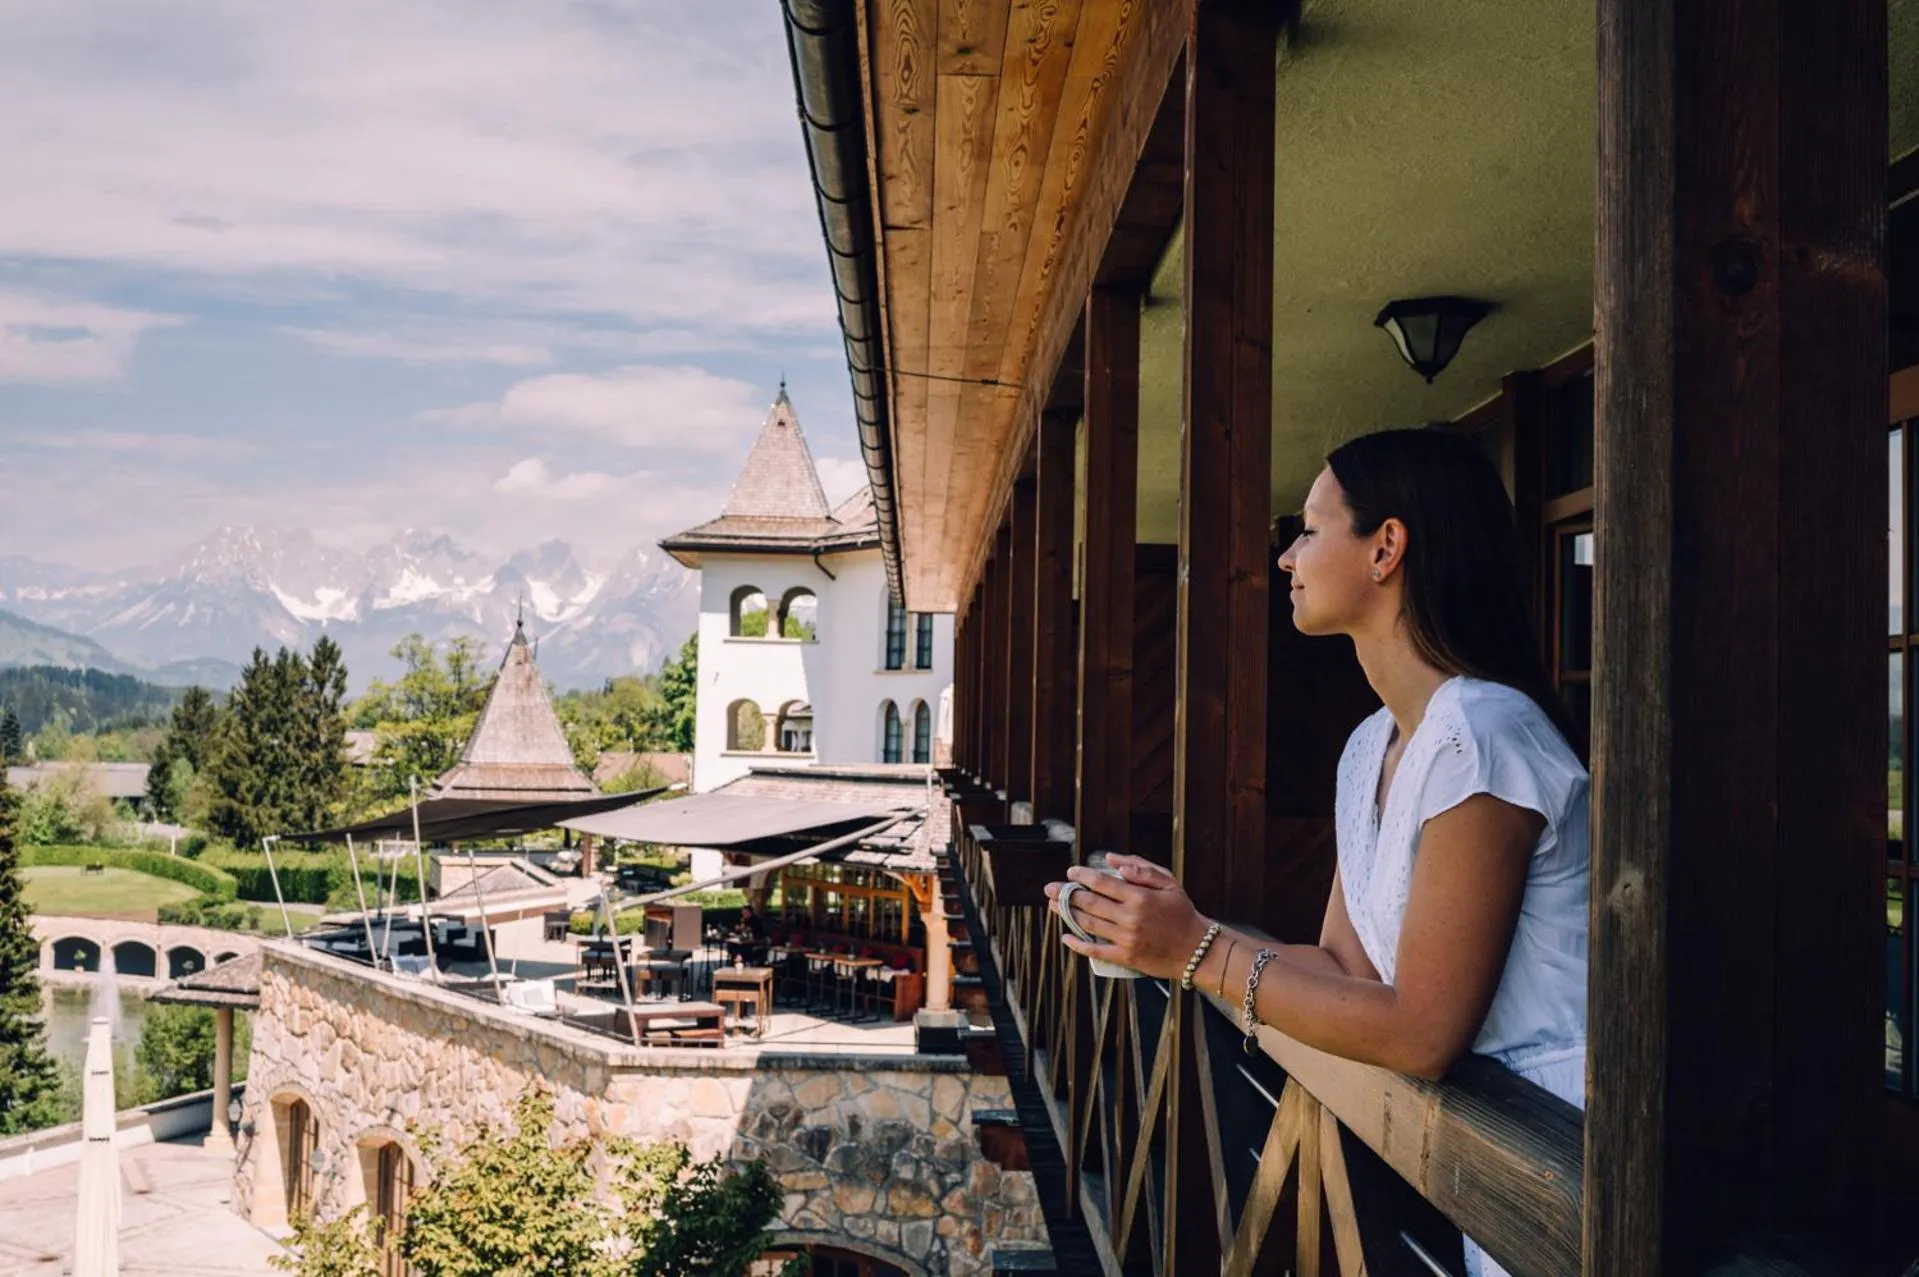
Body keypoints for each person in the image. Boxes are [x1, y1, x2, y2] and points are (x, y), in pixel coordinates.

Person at [1044, 428, 1588, 1277]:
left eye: (1307, 528)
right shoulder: (1373, 744)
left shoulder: (1482, 736)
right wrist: (1161, 931)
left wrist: (1197, 950)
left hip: (1568, 1161)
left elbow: (1419, 1031)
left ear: (1386, 547)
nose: (1288, 555)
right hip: (1495, 1172)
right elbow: (1343, 965)